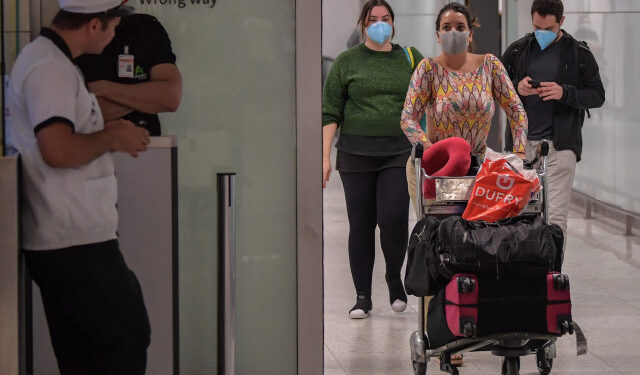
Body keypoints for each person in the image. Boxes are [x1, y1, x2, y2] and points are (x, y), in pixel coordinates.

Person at [5, 1, 152, 373]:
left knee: (98, 350)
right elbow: (56, 148)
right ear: (92, 25)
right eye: (113, 25)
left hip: (76, 237)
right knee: (121, 341)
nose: (115, 33)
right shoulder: (48, 67)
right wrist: (113, 137)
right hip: (70, 242)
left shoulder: (53, 62)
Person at [322, 0, 424, 319]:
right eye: (373, 19)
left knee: (393, 219)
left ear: (393, 22)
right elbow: (330, 111)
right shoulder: (346, 61)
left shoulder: (410, 58)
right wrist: (324, 156)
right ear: (362, 24)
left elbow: (431, 97)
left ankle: (394, 279)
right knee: (361, 226)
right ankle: (362, 297)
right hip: (354, 155)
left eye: (385, 18)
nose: (380, 23)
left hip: (396, 152)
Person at [402, 2, 528, 212]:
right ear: (438, 35)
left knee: (473, 238)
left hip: (477, 167)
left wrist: (520, 152)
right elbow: (407, 118)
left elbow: (517, 111)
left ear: (470, 34)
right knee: (439, 236)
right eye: (447, 27)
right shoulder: (428, 69)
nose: (453, 32)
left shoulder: (490, 66)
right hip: (436, 169)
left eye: (460, 27)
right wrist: (432, 152)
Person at [501, 0, 605, 240]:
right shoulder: (518, 50)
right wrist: (518, 87)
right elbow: (495, 85)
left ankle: (553, 274)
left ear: (562, 22)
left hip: (560, 147)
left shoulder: (579, 53)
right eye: (537, 27)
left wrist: (564, 92)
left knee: (555, 219)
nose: (542, 34)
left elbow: (597, 95)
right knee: (518, 215)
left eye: (548, 29)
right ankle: (526, 273)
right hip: (521, 148)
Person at [76, 13, 182, 135]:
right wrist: (148, 98)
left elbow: (170, 98)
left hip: (147, 147)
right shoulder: (79, 32)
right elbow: (82, 114)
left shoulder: (146, 28)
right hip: (90, 147)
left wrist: (105, 88)